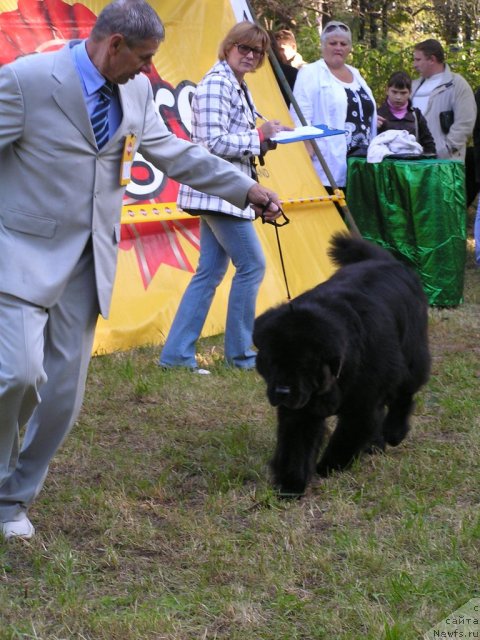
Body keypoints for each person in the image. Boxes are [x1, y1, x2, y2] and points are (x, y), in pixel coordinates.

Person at [0, 0, 282, 541]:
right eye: (145, 58)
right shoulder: (26, 81)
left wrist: (244, 188)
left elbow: (175, 153)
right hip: (19, 252)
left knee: (62, 395)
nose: (150, 70)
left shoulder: (136, 91)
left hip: (88, 262)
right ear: (114, 46)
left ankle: (13, 499)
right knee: (17, 374)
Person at [159, 21, 290, 374]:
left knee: (209, 272)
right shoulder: (218, 83)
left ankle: (175, 356)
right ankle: (241, 356)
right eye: (243, 48)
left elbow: (235, 138)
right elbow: (212, 144)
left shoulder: (236, 83)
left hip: (221, 191)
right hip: (219, 192)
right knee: (252, 266)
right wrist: (257, 137)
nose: (250, 56)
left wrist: (264, 138)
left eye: (257, 52)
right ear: (228, 47)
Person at [291, 20, 377, 190]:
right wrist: (306, 149)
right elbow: (299, 114)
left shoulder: (356, 74)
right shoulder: (310, 72)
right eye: (333, 43)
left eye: (343, 43)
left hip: (361, 164)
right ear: (323, 45)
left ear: (349, 47)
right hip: (326, 162)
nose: (338, 47)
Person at [411, 39, 476, 161]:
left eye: (418, 60)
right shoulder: (413, 86)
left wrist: (446, 149)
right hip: (415, 164)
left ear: (432, 59)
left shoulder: (457, 85)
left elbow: (465, 123)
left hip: (445, 165)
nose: (414, 64)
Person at [377, 71, 436, 155]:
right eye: (394, 92)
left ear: (410, 92)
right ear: (387, 90)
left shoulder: (416, 115)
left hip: (412, 166)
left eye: (403, 93)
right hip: (385, 165)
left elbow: (429, 146)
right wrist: (374, 128)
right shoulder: (377, 115)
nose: (398, 97)